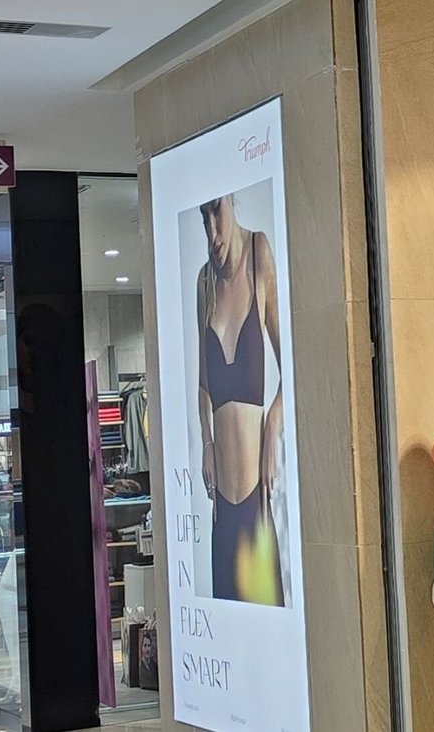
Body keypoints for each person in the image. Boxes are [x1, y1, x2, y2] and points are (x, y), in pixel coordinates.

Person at [196, 193, 284, 605]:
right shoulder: (205, 282)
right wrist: (206, 442)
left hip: (255, 495)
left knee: (264, 611)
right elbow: (203, 382)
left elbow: (292, 365)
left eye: (216, 210)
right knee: (228, 617)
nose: (212, 232)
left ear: (231, 201)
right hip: (222, 503)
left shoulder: (258, 252)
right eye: (204, 217)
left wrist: (272, 430)